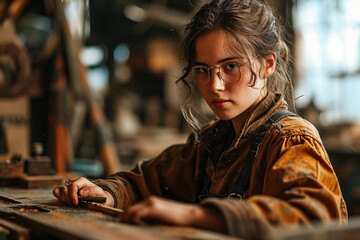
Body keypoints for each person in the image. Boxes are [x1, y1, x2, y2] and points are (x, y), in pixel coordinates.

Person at [53, 0, 348, 238]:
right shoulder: (213, 141)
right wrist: (104, 192)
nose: (215, 85)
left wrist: (195, 214)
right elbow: (146, 182)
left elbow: (313, 220)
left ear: (268, 63)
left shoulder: (291, 140)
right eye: (203, 69)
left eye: (231, 66)